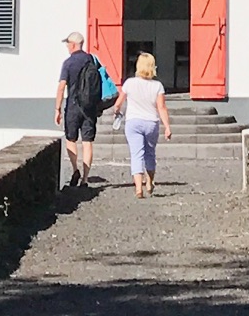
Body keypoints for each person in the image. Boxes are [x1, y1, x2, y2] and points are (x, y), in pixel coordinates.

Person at [52, 31, 108, 189]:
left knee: (71, 139)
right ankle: (85, 178)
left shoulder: (68, 63)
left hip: (73, 106)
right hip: (89, 107)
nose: (67, 46)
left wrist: (57, 108)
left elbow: (62, 87)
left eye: (68, 43)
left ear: (73, 44)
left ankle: (75, 169)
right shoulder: (91, 59)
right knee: (88, 142)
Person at [111, 51, 170, 199]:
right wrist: (167, 126)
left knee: (136, 154)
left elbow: (118, 103)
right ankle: (149, 181)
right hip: (151, 122)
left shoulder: (129, 83)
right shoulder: (158, 86)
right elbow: (161, 107)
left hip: (133, 121)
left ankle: (138, 188)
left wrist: (117, 111)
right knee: (150, 153)